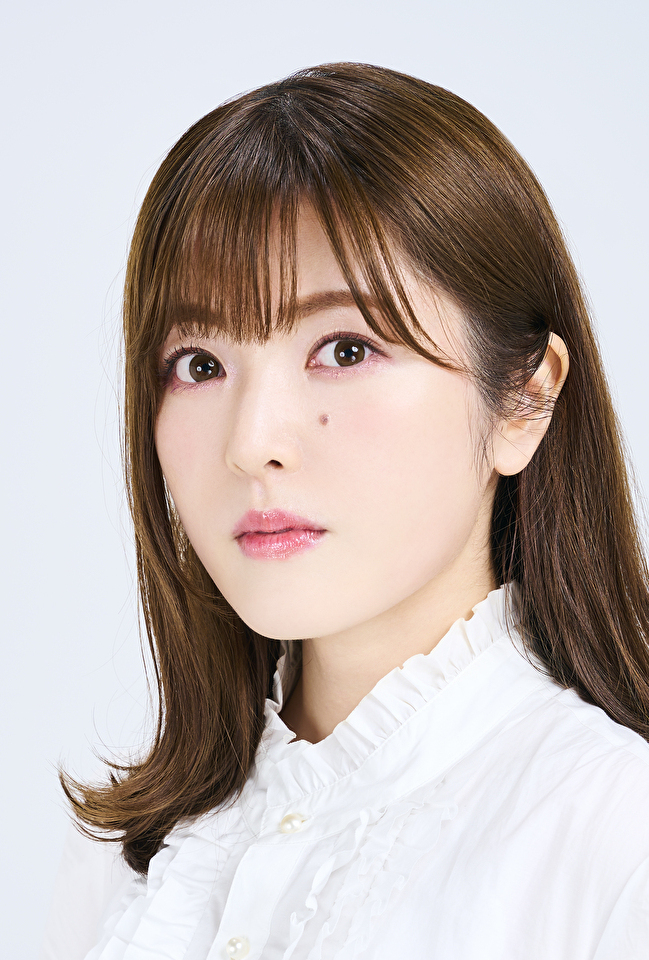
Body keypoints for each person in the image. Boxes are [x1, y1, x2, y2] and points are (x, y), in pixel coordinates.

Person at [43, 62, 649, 959]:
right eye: (199, 365)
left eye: (345, 349)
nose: (251, 443)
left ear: (524, 399)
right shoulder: (133, 857)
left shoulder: (614, 842)